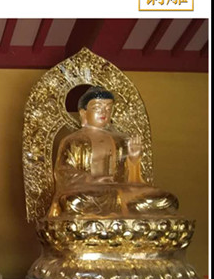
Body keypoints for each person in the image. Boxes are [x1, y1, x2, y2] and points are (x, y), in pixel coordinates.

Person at [49, 86, 179, 218]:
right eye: (97, 108)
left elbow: (131, 181)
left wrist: (133, 160)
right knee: (73, 202)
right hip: (91, 193)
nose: (103, 112)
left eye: (108, 108)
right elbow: (63, 172)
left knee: (167, 200)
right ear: (83, 113)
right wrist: (91, 180)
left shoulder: (121, 140)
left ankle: (117, 213)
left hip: (119, 192)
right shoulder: (74, 141)